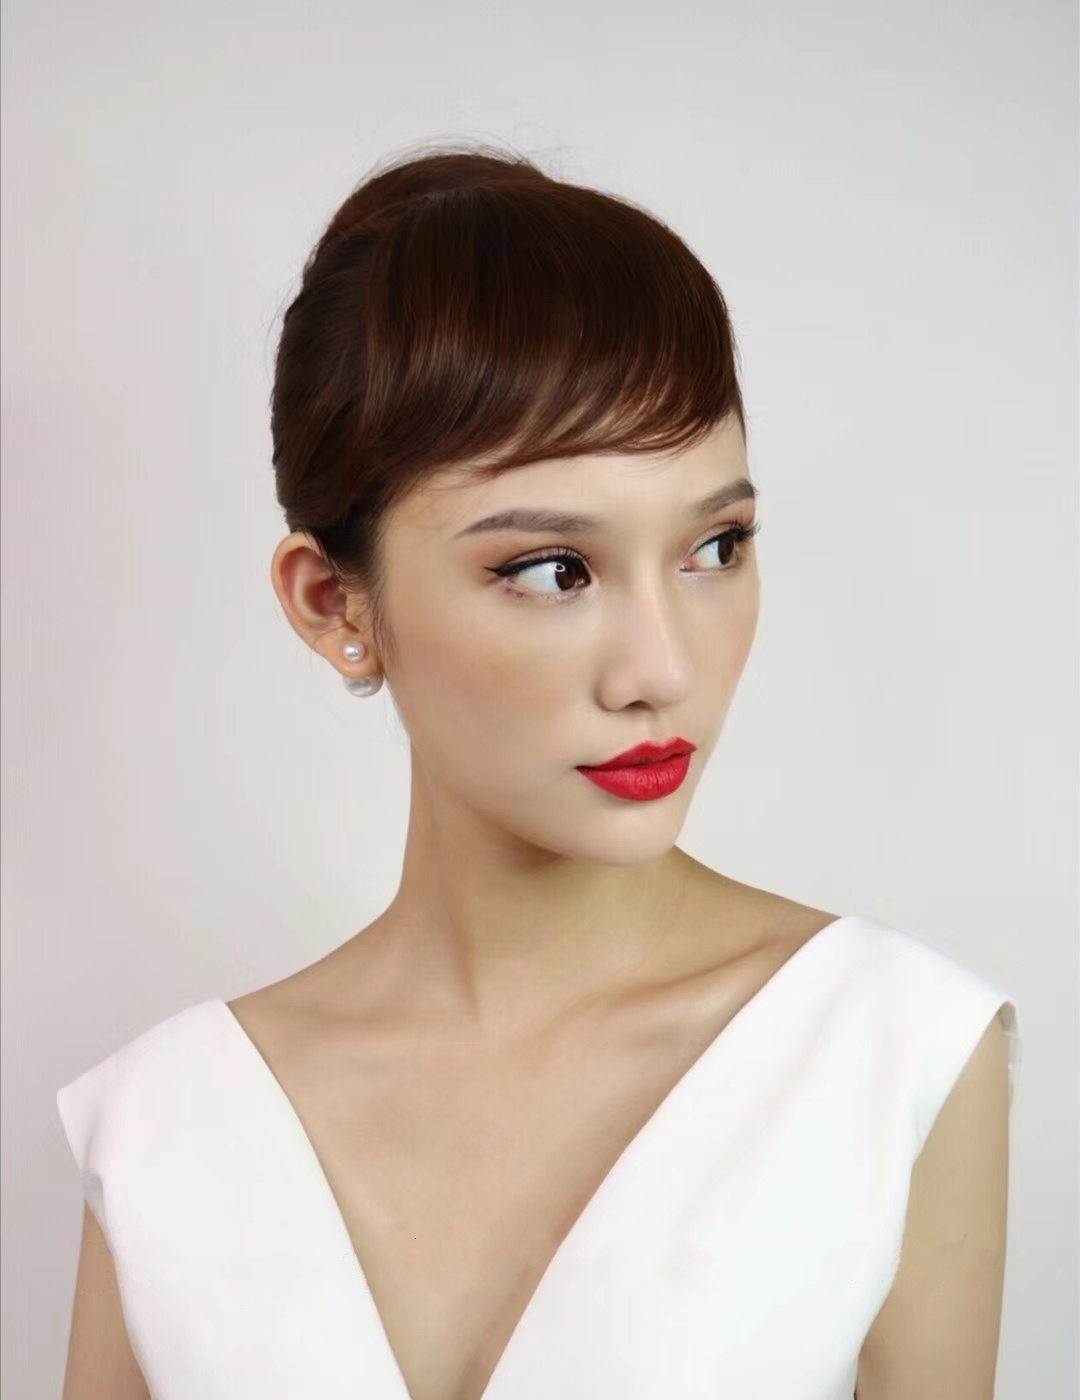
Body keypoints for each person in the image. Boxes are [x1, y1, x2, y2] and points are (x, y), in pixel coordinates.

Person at [57, 144, 1021, 1400]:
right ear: (333, 601)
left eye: (716, 546)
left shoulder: (894, 1055)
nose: (662, 668)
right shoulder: (166, 1124)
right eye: (554, 569)